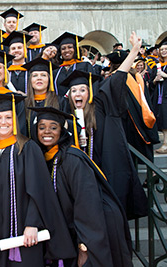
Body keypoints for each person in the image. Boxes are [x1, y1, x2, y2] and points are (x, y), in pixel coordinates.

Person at [0, 93, 75, 266]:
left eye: (8, 117)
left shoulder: (28, 149)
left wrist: (32, 224)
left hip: (25, 231)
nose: (3, 122)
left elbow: (39, 189)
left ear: (15, 120)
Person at [31, 106, 133, 267]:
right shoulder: (48, 159)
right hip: (82, 228)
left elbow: (87, 205)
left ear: (62, 131)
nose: (47, 132)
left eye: (53, 127)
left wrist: (84, 246)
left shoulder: (72, 159)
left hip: (97, 226)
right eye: (41, 127)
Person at [63, 31, 148, 220]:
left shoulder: (102, 107)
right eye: (74, 90)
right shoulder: (68, 117)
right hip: (80, 181)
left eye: (83, 89)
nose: (78, 93)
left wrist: (134, 51)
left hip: (105, 174)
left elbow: (117, 78)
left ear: (90, 92)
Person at [22, 58, 67, 138]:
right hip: (30, 148)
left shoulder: (60, 101)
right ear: (30, 80)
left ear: (49, 79)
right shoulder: (23, 103)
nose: (39, 78)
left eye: (43, 75)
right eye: (35, 75)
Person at [51, 32, 94, 97]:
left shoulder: (85, 66)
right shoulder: (56, 71)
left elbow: (93, 86)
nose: (67, 50)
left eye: (70, 47)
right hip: (60, 106)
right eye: (63, 48)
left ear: (75, 49)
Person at [150, 36, 167, 153]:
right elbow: (151, 83)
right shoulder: (157, 65)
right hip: (161, 97)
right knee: (163, 120)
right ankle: (165, 143)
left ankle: (166, 144)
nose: (163, 51)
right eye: (161, 49)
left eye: (166, 49)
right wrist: (155, 79)